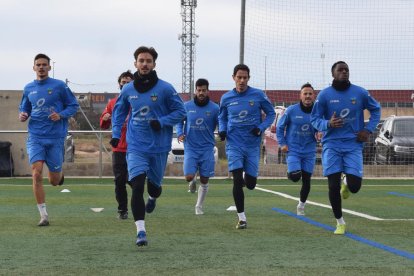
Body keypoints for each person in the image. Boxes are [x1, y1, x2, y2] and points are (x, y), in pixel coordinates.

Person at [111, 46, 186, 246]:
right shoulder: (127, 89)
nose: (145, 64)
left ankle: (153, 197)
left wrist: (161, 121)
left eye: (148, 61)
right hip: (136, 146)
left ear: (154, 64)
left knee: (154, 187)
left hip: (159, 147)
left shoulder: (165, 88)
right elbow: (118, 113)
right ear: (135, 63)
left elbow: (181, 112)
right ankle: (141, 231)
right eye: (141, 60)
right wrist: (116, 135)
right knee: (136, 185)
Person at [310, 61, 381, 235]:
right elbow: (314, 119)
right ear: (333, 74)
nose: (344, 72)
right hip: (332, 145)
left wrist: (368, 129)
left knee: (355, 186)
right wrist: (328, 123)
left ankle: (347, 183)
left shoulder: (360, 92)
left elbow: (376, 110)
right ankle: (340, 222)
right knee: (332, 185)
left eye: (346, 70)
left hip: (353, 144)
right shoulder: (325, 95)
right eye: (340, 70)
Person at [19, 53, 79, 226]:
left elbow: (73, 105)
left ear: (49, 68)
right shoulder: (28, 88)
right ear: (34, 67)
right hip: (36, 136)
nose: (41, 67)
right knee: (36, 172)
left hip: (55, 137)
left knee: (53, 181)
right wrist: (23, 114)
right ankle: (43, 215)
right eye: (38, 65)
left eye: (44, 64)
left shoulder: (59, 86)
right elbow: (25, 107)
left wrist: (60, 115)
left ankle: (58, 176)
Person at [218, 64, 276, 229]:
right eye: (239, 77)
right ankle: (242, 218)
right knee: (237, 180)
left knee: (250, 184)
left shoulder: (258, 95)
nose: (242, 80)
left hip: (252, 145)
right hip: (234, 143)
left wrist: (261, 127)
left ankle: (247, 179)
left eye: (245, 77)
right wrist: (222, 130)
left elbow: (271, 113)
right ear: (234, 77)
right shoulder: (226, 98)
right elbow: (222, 117)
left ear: (248, 78)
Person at [176, 78, 219, 215]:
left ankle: (198, 206)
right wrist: (180, 133)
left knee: (205, 178)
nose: (201, 92)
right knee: (188, 176)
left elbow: (221, 123)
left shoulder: (215, 108)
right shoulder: (187, 106)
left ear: (208, 91)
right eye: (199, 90)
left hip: (207, 147)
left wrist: (224, 131)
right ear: (195, 90)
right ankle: (192, 180)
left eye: (203, 90)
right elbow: (179, 122)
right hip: (191, 147)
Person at [276, 83, 319, 216]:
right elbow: (279, 127)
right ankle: (291, 171)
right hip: (293, 149)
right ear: (300, 96)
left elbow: (322, 127)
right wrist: (282, 143)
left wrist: (321, 132)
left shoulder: (318, 112)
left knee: (307, 180)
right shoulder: (291, 110)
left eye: (310, 94)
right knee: (295, 177)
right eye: (305, 93)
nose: (307, 96)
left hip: (309, 151)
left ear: (314, 96)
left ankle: (301, 205)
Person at [100, 70, 134, 220]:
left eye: (129, 82)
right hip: (119, 148)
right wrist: (106, 118)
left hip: (136, 147)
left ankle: (139, 203)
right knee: (120, 180)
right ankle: (122, 210)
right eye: (123, 82)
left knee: (135, 180)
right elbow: (103, 125)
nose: (126, 84)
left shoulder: (138, 101)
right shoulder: (112, 103)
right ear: (119, 84)